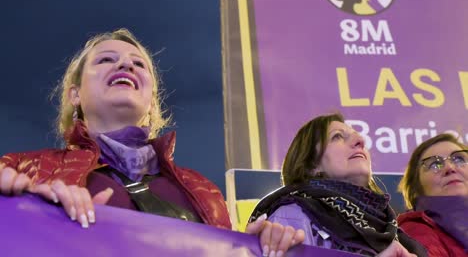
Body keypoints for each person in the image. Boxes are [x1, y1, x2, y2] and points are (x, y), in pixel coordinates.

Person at [0, 28, 303, 256]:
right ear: (75, 94)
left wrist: (257, 246)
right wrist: (21, 208)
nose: (126, 66)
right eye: (106, 60)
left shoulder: (203, 190)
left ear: (151, 101)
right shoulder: (23, 168)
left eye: (138, 64)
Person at [249, 113, 426, 256]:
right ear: (311, 165)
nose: (360, 141)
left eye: (358, 136)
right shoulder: (292, 215)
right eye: (338, 136)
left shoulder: (393, 231)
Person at [398, 133, 468, 256]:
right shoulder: (415, 231)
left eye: (459, 159)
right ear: (416, 188)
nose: (450, 167)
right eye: (435, 164)